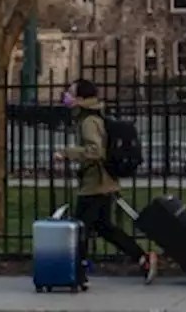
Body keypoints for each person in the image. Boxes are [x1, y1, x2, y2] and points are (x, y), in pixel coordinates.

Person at [54, 79, 158, 288]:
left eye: (71, 93)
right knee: (104, 227)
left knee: (80, 228)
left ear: (81, 98)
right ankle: (142, 258)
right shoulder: (91, 116)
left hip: (95, 183)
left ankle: (79, 273)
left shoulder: (89, 121)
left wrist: (66, 153)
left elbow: (95, 151)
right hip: (102, 181)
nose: (67, 96)